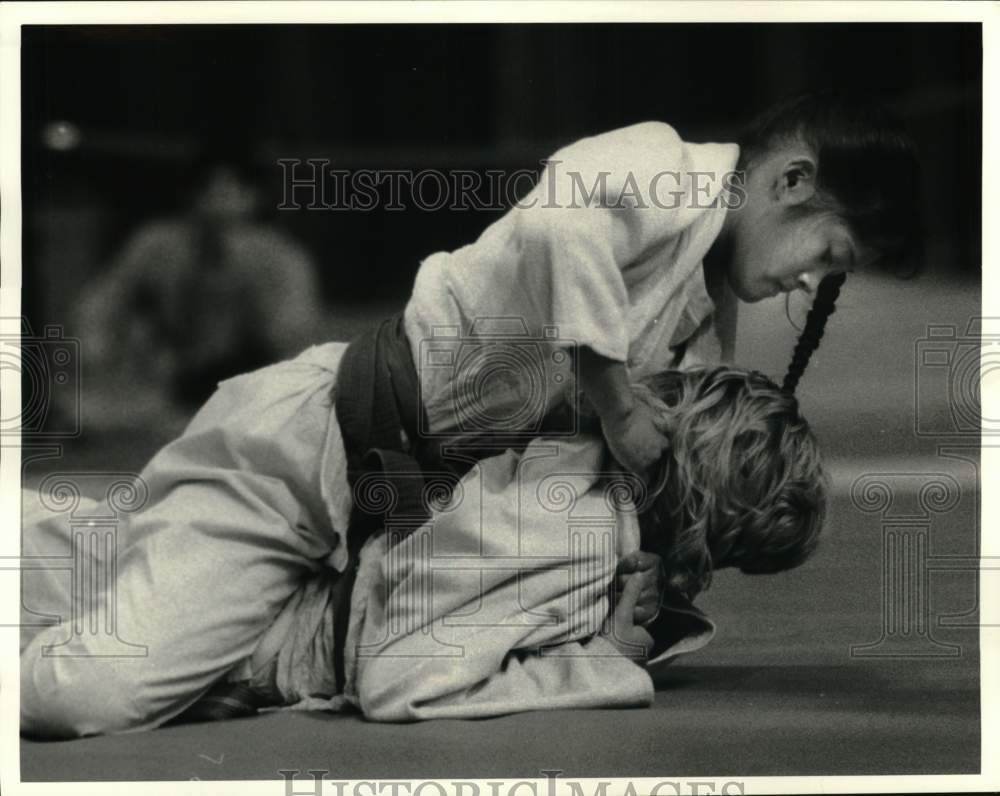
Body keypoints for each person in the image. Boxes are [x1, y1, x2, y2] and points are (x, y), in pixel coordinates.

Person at [20, 89, 913, 736]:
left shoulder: (700, 318)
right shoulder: (667, 168)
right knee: (98, 690)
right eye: (829, 252)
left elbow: (660, 481)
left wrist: (649, 578)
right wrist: (612, 397)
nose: (810, 280)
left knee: (100, 564)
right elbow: (564, 216)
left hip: (380, 518)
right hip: (306, 457)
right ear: (793, 181)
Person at [20, 366, 825, 733]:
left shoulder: (591, 480)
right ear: (711, 529)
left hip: (290, 550)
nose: (711, 578)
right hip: (274, 625)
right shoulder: (582, 538)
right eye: (728, 556)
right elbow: (397, 680)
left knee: (82, 552)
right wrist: (603, 661)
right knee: (87, 688)